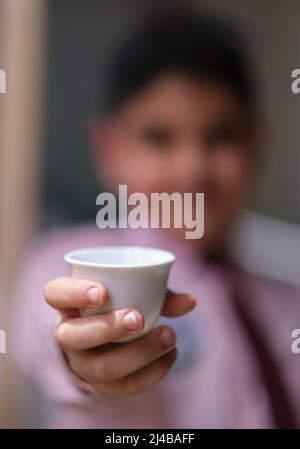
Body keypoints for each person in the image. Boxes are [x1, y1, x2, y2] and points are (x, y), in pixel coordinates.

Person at [10, 8, 300, 428]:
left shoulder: (289, 299)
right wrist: (83, 361)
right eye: (159, 138)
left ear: (255, 143)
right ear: (111, 149)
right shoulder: (62, 263)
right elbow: (46, 333)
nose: (192, 169)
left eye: (220, 136)